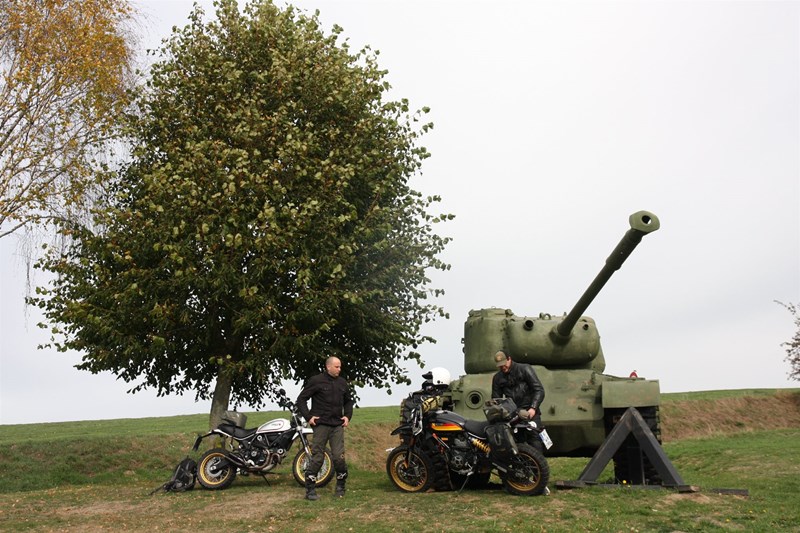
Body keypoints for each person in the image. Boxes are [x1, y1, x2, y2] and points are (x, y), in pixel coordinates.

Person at [296, 356, 354, 500]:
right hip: (321, 424)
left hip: (337, 425)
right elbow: (301, 399)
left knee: (339, 457)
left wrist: (347, 416)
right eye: (337, 367)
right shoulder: (316, 381)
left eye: (340, 367)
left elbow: (348, 401)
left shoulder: (342, 383)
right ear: (328, 367)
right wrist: (309, 417)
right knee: (317, 457)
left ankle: (341, 486)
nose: (339, 369)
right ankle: (310, 490)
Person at [491, 350, 545, 435]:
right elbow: (496, 399)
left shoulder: (524, 369)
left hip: (529, 412)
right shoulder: (497, 378)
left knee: (535, 439)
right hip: (513, 416)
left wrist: (533, 408)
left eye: (504, 364)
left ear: (509, 359)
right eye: (500, 366)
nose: (503, 367)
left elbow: (539, 390)